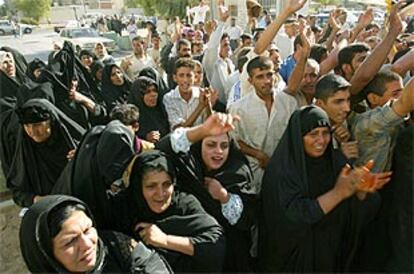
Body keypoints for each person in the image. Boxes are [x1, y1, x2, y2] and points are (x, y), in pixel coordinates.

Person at [259, 105, 392, 272]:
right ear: (298, 137)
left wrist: (361, 192)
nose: (321, 140)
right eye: (313, 134)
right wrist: (337, 194)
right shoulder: (281, 170)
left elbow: (357, 214)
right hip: (293, 260)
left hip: (331, 255)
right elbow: (292, 216)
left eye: (326, 133)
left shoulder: (335, 162)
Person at [156, 112, 258, 272]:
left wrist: (224, 196)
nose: (218, 152)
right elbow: (163, 147)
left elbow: (249, 217)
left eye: (224, 146)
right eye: (211, 144)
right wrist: (202, 130)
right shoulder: (189, 166)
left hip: (231, 257)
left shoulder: (238, 172)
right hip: (193, 252)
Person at [122, 150, 226, 272]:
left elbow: (215, 246)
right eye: (151, 186)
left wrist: (165, 240)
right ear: (138, 187)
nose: (160, 193)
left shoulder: (185, 205)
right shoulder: (128, 210)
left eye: (166, 184)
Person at [20, 195, 172, 273]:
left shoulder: (116, 245)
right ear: (45, 254)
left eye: (87, 230)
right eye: (70, 241)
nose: (87, 244)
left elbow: (151, 265)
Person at [229, 56, 298, 193]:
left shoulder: (289, 103)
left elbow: (295, 137)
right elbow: (234, 141)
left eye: (269, 75)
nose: (267, 81)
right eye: (260, 77)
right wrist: (258, 154)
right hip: (254, 171)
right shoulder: (239, 108)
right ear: (250, 80)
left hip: (285, 170)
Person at [7, 99, 85, 207]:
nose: (32, 132)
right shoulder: (26, 151)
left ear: (51, 122)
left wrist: (82, 159)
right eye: (27, 126)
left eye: (38, 125)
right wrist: (37, 199)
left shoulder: (76, 147)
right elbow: (18, 192)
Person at [163, 58, 210, 130]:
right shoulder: (169, 98)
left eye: (189, 75)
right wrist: (200, 106)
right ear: (175, 78)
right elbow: (179, 130)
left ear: (195, 77)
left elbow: (210, 122)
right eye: (181, 75)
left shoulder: (201, 94)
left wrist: (208, 104)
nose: (185, 80)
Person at [128, 76, 170, 143]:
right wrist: (145, 137)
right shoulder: (130, 117)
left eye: (154, 90)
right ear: (138, 96)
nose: (153, 94)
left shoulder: (162, 110)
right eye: (148, 92)